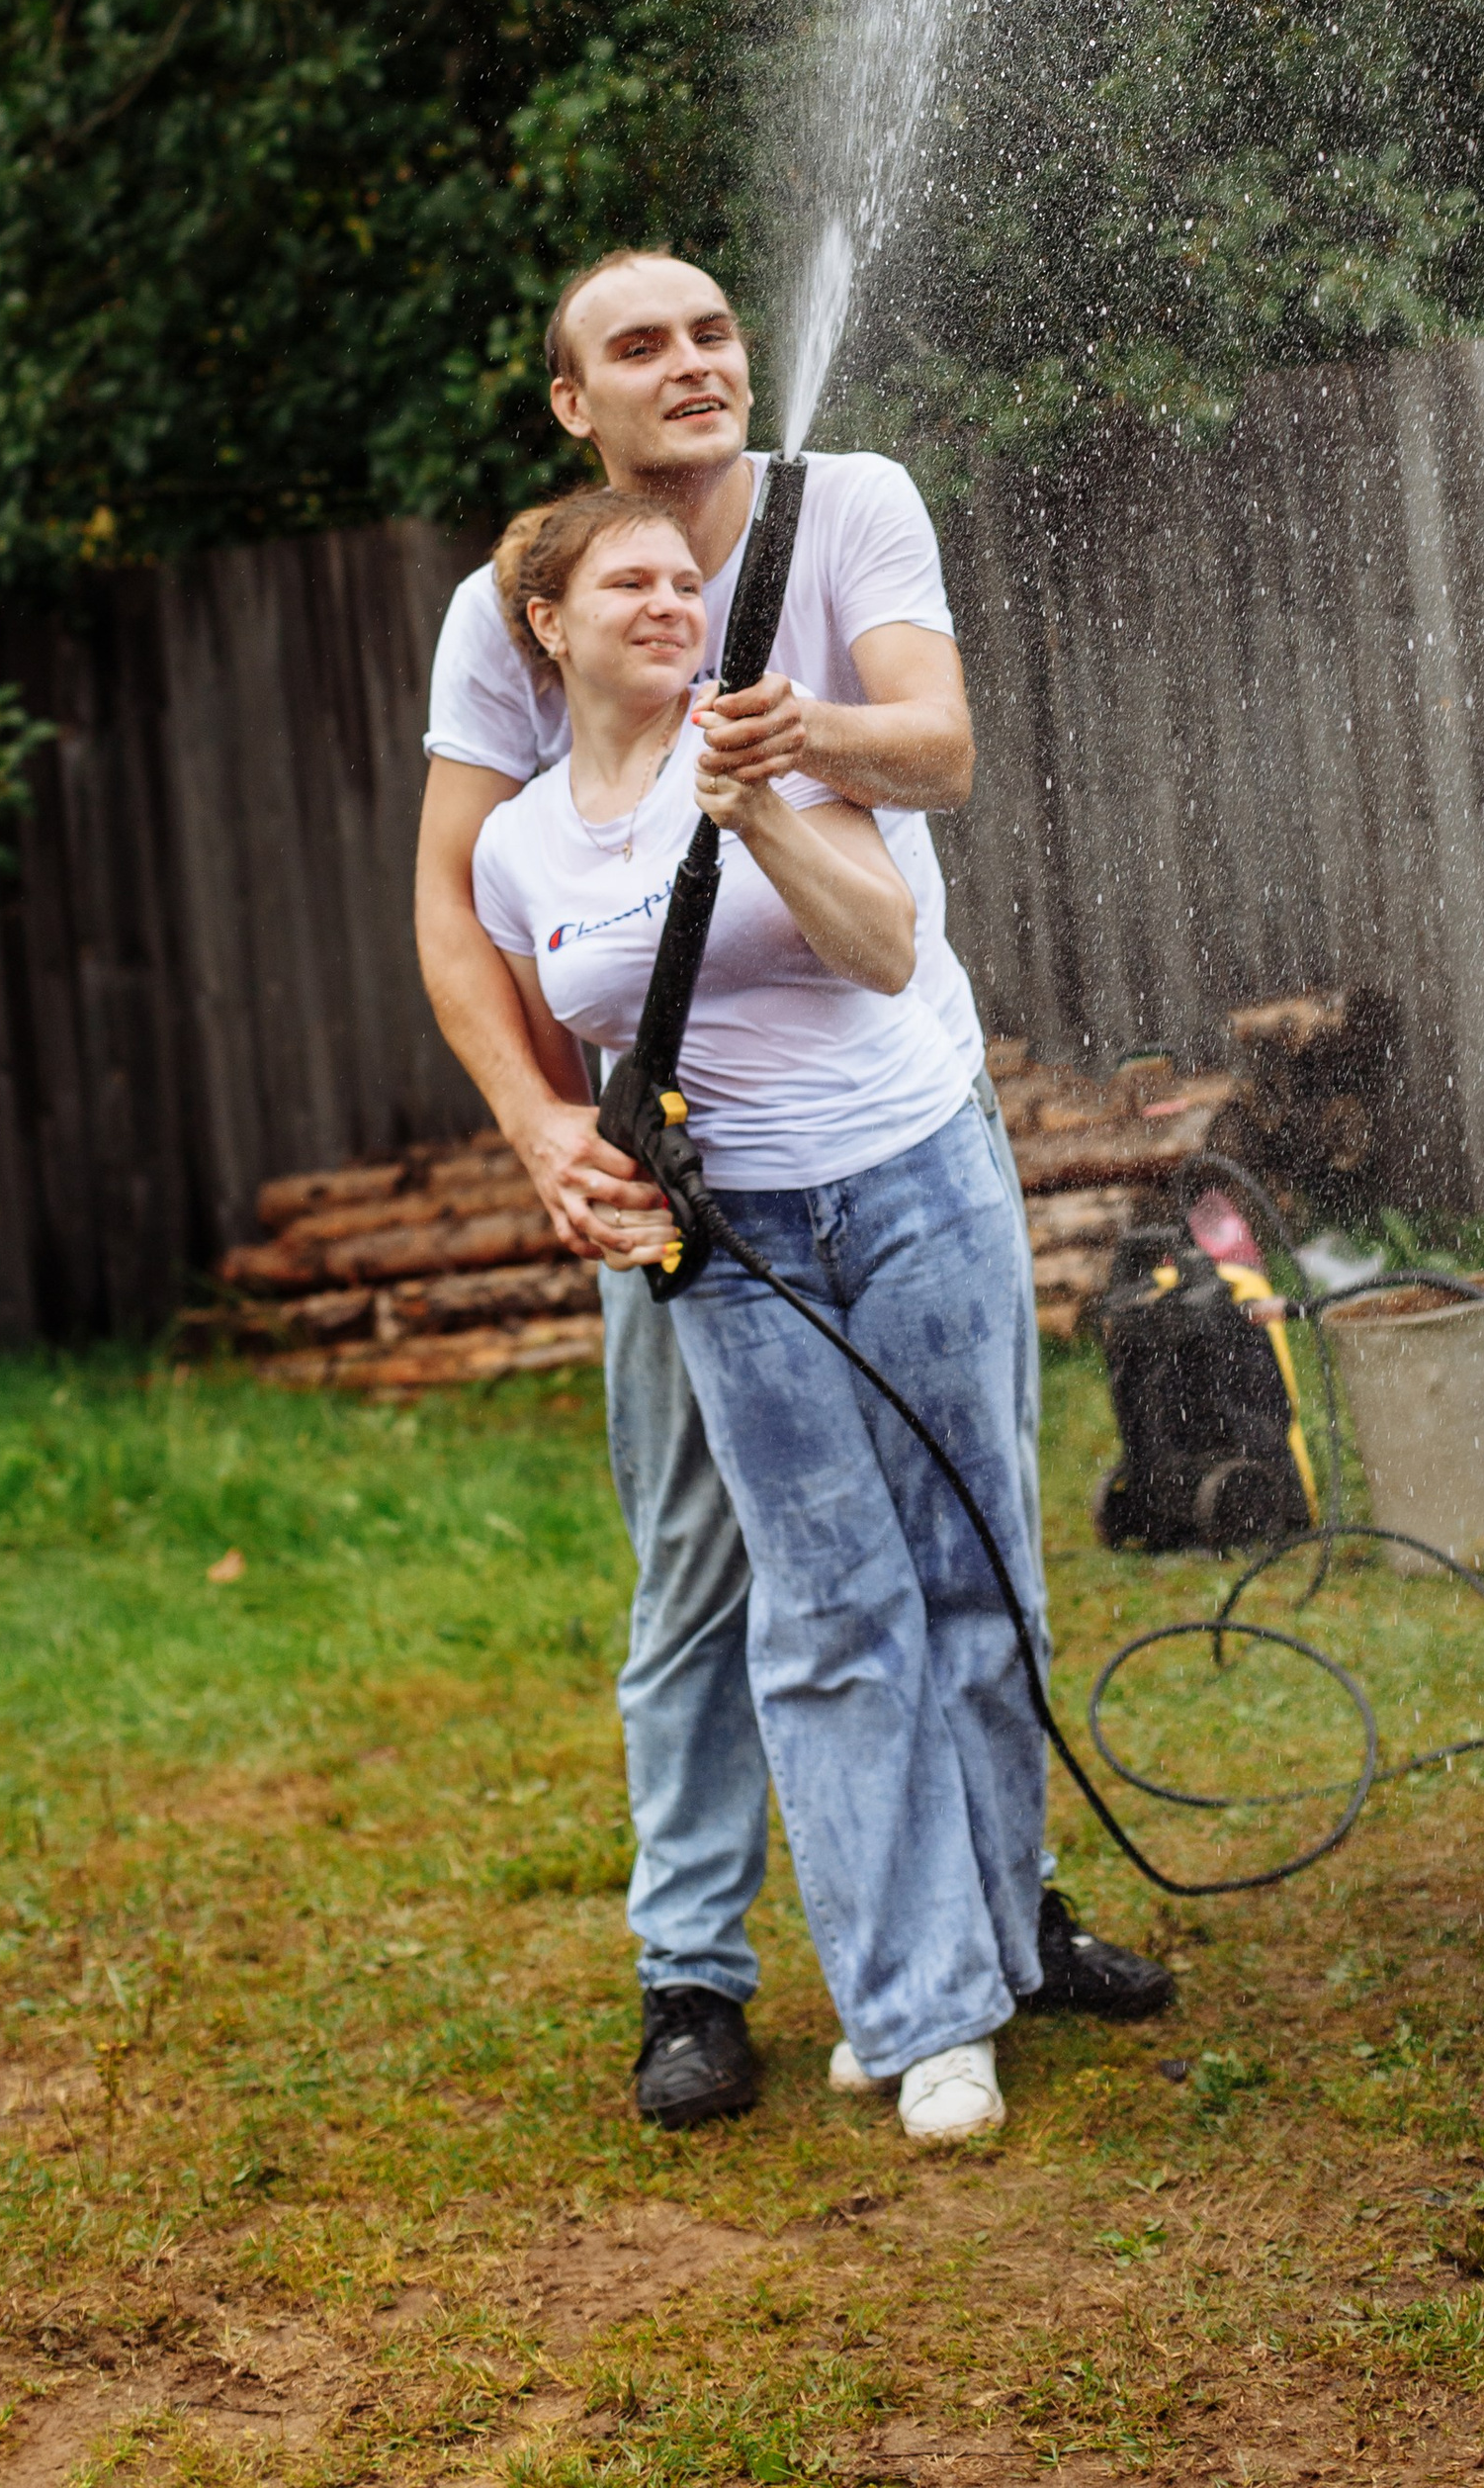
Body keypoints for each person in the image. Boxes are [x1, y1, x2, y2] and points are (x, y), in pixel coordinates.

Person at [413, 246, 1173, 2129]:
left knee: (971, 1554)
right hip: (686, 1195)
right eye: (636, 346)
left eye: (714, 332)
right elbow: (465, 900)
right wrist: (541, 1132)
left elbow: (942, 749)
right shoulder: (507, 619)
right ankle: (699, 1971)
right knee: (717, 1580)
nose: (692, 365)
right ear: (570, 403)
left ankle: (996, 1924)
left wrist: (785, 744)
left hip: (904, 1135)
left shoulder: (848, 513)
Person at [473, 488, 1044, 2139]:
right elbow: (571, 1059)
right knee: (829, 1609)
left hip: (916, 1188)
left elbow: (883, 945)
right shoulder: (516, 848)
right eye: (626, 584)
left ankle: (986, 1959)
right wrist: (584, 1161)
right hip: (727, 1246)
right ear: (550, 628)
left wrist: (763, 806)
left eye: (682, 580)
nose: (667, 602)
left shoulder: (775, 740)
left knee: (971, 1578)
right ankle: (917, 2008)